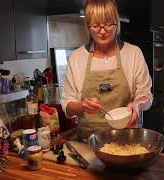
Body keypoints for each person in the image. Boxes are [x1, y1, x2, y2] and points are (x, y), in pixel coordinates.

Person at [61, 0, 152, 139]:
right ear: (87, 25)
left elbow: (146, 95)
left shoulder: (133, 53)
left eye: (109, 24)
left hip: (127, 140)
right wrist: (82, 106)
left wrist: (138, 104)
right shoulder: (76, 58)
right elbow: (67, 105)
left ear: (117, 22)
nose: (103, 31)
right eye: (96, 26)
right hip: (89, 142)